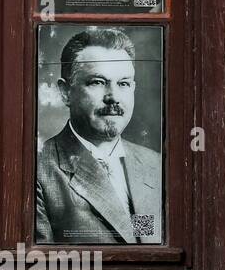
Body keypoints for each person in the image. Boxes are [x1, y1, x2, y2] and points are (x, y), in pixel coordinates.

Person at [35, 28, 162, 245]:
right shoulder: (37, 171)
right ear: (66, 92)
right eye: (98, 82)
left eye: (123, 83)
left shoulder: (156, 163)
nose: (113, 97)